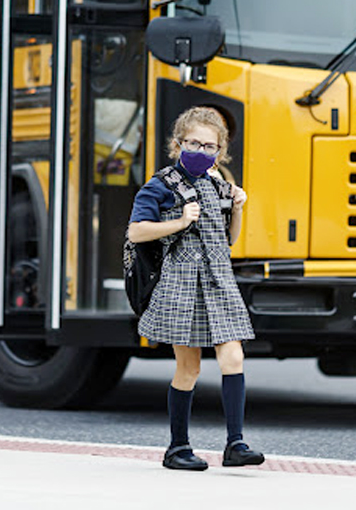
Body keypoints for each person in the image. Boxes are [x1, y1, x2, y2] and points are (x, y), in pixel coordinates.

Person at [128, 106, 265, 470]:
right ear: (177, 144)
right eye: (194, 143)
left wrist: (236, 208)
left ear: (220, 151)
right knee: (188, 368)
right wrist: (177, 221)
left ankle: (235, 444)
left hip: (219, 278)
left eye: (210, 147)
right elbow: (136, 231)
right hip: (180, 281)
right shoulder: (160, 184)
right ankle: (177, 448)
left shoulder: (219, 185)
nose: (202, 152)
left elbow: (228, 240)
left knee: (233, 357)